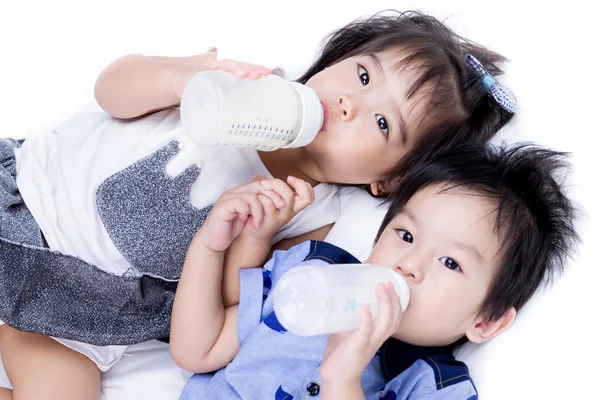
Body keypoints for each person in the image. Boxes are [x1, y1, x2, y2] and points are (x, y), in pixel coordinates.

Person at [0, 10, 515, 400]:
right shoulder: (247, 87)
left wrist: (255, 236)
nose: (349, 105)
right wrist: (185, 79)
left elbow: (236, 305)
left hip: (81, 316)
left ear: (388, 180)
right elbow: (111, 89)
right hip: (29, 195)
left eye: (382, 125)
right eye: (361, 76)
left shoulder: (314, 215)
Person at [172, 142, 578, 399]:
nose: (409, 265)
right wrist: (210, 245)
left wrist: (343, 382)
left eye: (450, 262)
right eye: (404, 235)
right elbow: (197, 350)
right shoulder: (312, 272)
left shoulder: (435, 386)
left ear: (486, 321)